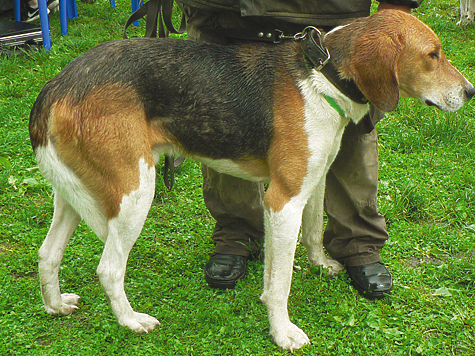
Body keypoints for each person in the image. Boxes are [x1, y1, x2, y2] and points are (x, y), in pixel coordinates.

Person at [181, 0, 423, 299]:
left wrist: (396, 6)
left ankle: (356, 242)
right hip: (228, 14)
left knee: (349, 137)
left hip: (332, 11)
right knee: (223, 124)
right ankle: (237, 234)